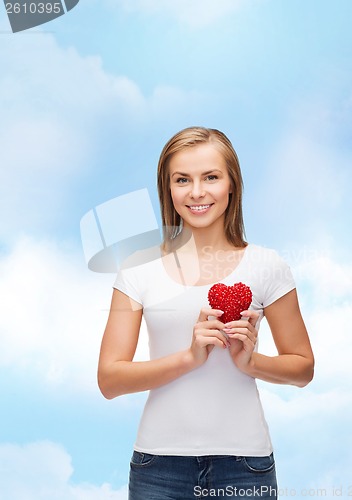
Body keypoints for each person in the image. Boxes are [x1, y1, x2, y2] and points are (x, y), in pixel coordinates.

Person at [98, 126, 314, 499]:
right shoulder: (137, 268)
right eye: (182, 179)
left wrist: (251, 363)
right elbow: (109, 380)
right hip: (158, 467)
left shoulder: (268, 266)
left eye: (210, 177)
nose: (196, 192)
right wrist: (189, 358)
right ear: (168, 188)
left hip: (245, 466)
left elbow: (303, 368)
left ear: (232, 184)